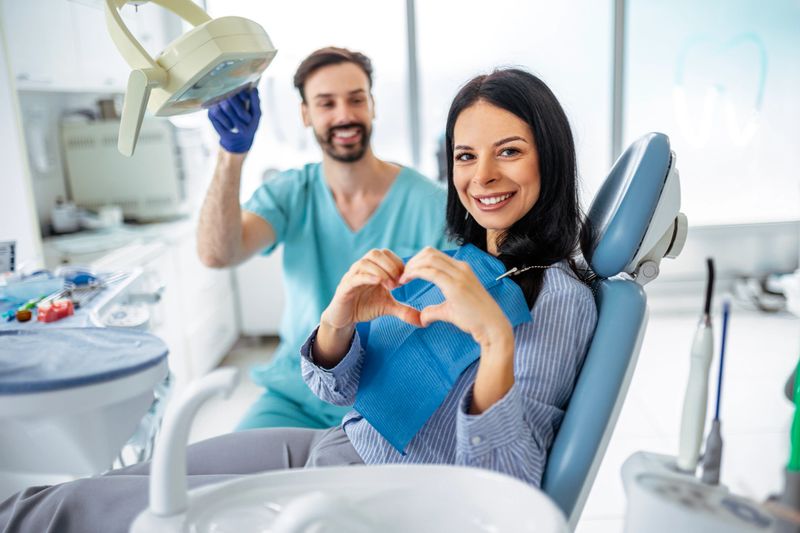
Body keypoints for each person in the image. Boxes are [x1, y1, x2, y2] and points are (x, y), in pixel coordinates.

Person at [0, 68, 597, 532]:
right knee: (118, 484)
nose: (483, 175)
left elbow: (505, 489)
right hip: (340, 438)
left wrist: (495, 339)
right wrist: (338, 320)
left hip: (383, 485)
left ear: (551, 153)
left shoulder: (559, 297)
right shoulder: (460, 257)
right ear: (306, 116)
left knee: (73, 513)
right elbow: (333, 389)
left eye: (510, 150)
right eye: (467, 156)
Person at [197, 46, 451, 431]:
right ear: (305, 114)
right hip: (295, 395)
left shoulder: (430, 203)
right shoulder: (292, 193)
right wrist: (231, 154)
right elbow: (217, 253)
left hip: (388, 399)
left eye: (355, 99)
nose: (344, 115)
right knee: (224, 482)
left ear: (373, 105)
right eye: (326, 103)